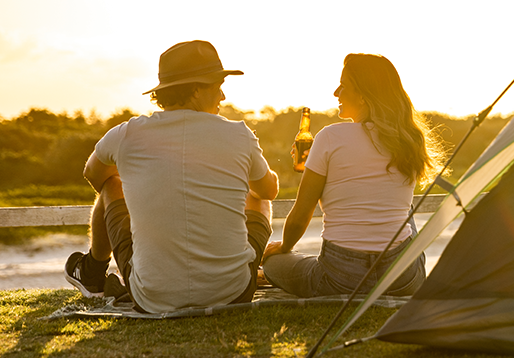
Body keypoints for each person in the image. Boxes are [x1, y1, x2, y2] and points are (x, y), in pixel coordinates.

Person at [64, 40, 279, 312]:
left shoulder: (127, 134)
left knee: (111, 184)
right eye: (218, 87)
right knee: (256, 195)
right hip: (233, 293)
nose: (223, 97)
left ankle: (93, 271)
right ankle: (232, 265)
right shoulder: (240, 133)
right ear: (197, 89)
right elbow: (269, 191)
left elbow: (93, 175)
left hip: (153, 297)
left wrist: (143, 183)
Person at [262, 53, 443, 297]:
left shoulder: (329, 137)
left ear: (363, 94)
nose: (336, 92)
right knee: (404, 210)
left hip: (340, 279)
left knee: (274, 264)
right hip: (402, 279)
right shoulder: (408, 141)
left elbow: (299, 218)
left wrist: (284, 247)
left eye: (343, 85)